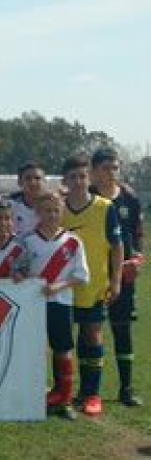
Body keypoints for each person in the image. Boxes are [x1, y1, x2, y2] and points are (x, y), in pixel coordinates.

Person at [61, 155, 123, 417]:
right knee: (61, 342)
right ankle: (64, 392)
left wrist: (116, 279)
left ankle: (91, 394)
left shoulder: (105, 207)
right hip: (61, 286)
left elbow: (117, 246)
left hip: (95, 283)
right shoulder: (57, 208)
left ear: (89, 178)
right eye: (73, 177)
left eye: (82, 176)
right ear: (65, 180)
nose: (78, 181)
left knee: (91, 335)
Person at [20, 192, 89, 416]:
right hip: (34, 304)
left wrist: (58, 286)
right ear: (38, 212)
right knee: (34, 349)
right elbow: (19, 268)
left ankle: (65, 398)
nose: (51, 215)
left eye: (56, 211)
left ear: (62, 212)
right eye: (47, 210)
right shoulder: (28, 240)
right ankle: (33, 394)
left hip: (60, 303)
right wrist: (20, 276)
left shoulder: (73, 241)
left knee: (63, 349)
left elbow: (81, 275)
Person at [90, 147, 144, 406]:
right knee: (91, 331)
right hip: (93, 275)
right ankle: (90, 391)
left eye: (115, 168)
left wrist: (138, 257)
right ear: (94, 172)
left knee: (122, 330)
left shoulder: (129, 198)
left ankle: (126, 389)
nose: (111, 173)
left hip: (123, 275)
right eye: (105, 168)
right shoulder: (86, 197)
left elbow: (138, 234)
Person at [10, 162, 46, 237]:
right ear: (19, 182)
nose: (33, 183)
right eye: (28, 178)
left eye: (37, 178)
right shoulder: (9, 207)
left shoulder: (53, 208)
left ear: (44, 181)